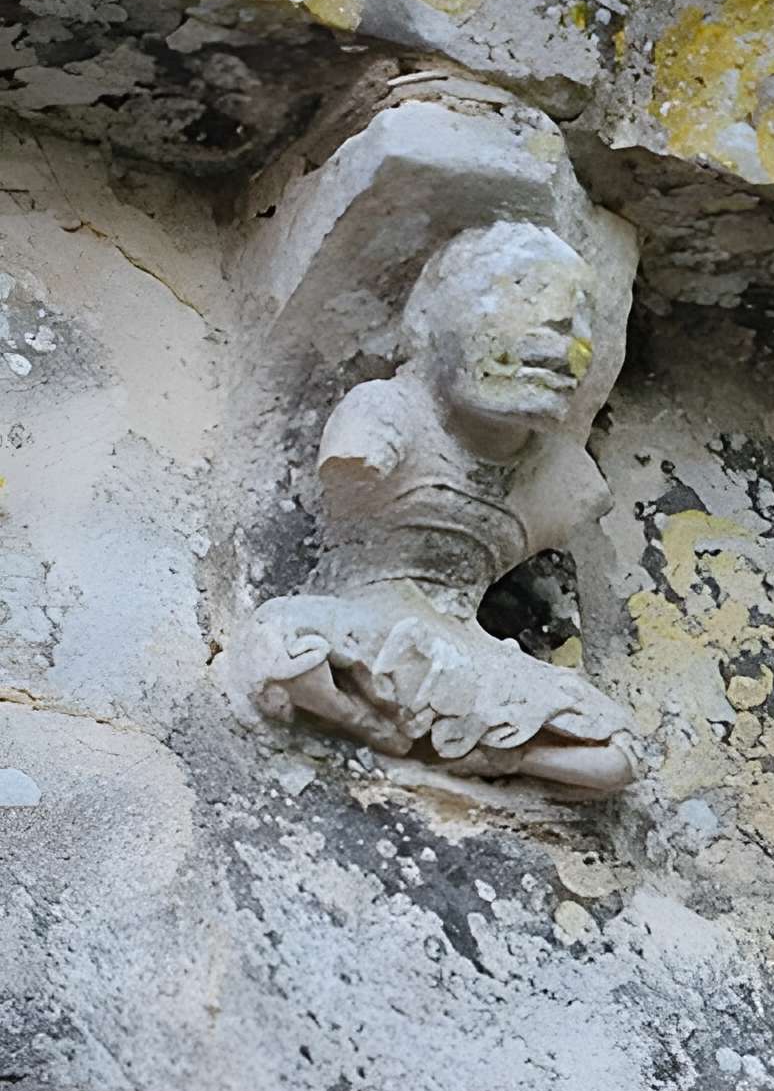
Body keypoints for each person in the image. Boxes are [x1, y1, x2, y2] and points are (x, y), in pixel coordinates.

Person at [231, 222, 635, 793]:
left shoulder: (564, 478)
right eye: (522, 290)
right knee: (280, 642)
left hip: (470, 649)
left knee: (614, 756)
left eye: (582, 309)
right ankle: (367, 720)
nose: (562, 324)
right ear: (426, 321)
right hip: (365, 620)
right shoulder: (386, 414)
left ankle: (492, 756)